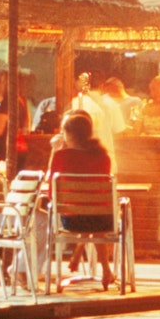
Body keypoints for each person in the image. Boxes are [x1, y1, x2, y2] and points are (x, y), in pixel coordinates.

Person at [47, 110, 117, 287]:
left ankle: (79, 254)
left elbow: (51, 191)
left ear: (68, 134)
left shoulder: (61, 156)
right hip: (103, 220)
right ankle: (106, 270)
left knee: (85, 212)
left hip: (71, 222)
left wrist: (55, 150)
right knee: (94, 213)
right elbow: (97, 197)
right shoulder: (103, 156)